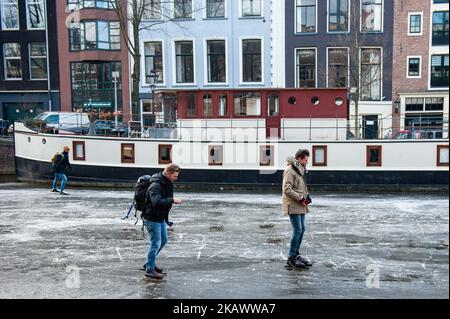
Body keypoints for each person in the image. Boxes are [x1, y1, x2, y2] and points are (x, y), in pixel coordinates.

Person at [142, 163, 182, 279]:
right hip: (151, 218)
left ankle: (149, 263)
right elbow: (156, 202)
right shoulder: (156, 185)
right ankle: (149, 270)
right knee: (155, 243)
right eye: (175, 176)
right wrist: (172, 200)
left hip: (160, 217)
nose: (176, 178)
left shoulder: (166, 182)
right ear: (168, 173)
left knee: (163, 240)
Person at [282, 149, 313, 269]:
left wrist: (307, 195)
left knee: (302, 229)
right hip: (294, 204)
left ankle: (296, 254)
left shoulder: (299, 170)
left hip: (300, 204)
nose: (307, 162)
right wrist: (300, 198)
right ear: (299, 159)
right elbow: (287, 189)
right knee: (298, 229)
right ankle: (291, 258)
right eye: (306, 160)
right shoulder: (290, 171)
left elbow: (301, 186)